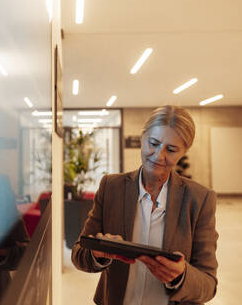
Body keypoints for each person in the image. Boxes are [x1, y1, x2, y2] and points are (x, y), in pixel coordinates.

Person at [71, 105, 218, 305]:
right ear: (142, 138)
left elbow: (208, 285)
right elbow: (79, 253)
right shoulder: (111, 187)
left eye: (171, 149)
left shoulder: (200, 199)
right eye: (154, 143)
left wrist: (182, 275)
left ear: (183, 152)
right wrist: (98, 254)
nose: (158, 156)